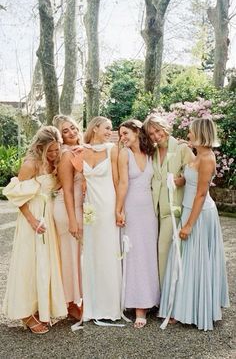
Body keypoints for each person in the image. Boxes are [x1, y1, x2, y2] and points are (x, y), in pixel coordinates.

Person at [159, 118, 230, 331]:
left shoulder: (208, 158)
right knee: (184, 259)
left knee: (193, 259)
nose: (188, 135)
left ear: (200, 133)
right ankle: (182, 307)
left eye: (190, 132)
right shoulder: (198, 155)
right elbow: (190, 181)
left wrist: (189, 225)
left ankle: (196, 309)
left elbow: (200, 193)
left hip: (199, 214)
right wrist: (177, 180)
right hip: (189, 210)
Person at [2, 126, 67, 334]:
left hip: (47, 216)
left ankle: (40, 308)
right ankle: (25, 314)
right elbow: (16, 196)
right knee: (28, 263)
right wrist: (32, 221)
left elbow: (52, 188)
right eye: (50, 150)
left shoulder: (53, 163)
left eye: (57, 149)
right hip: (32, 217)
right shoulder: (30, 165)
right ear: (40, 147)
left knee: (44, 263)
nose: (55, 154)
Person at [116, 119, 160, 328]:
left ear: (136, 131)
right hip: (132, 209)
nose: (122, 138)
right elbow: (122, 183)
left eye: (125, 133)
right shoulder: (124, 154)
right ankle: (138, 306)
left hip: (149, 211)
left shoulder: (152, 153)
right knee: (134, 254)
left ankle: (151, 299)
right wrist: (119, 209)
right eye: (120, 135)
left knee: (149, 253)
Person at [143, 113, 194, 287]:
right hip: (153, 209)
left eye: (157, 131)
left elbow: (195, 175)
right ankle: (158, 295)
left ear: (164, 127)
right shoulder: (153, 151)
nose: (156, 136)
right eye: (151, 134)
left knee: (164, 250)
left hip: (174, 209)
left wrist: (182, 180)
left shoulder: (181, 148)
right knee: (155, 252)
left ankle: (168, 298)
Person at [82, 116, 122, 324]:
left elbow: (116, 180)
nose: (109, 131)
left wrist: (118, 209)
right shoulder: (81, 150)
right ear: (95, 128)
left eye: (110, 129)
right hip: (89, 207)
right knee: (91, 252)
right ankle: (91, 305)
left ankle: (110, 306)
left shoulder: (111, 149)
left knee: (108, 251)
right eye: (106, 128)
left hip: (107, 205)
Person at [52, 115, 83, 322]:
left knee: (79, 257)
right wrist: (73, 220)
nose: (71, 133)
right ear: (60, 137)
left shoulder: (81, 149)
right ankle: (70, 304)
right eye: (65, 131)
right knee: (70, 256)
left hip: (81, 208)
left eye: (72, 128)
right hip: (68, 209)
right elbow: (68, 190)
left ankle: (78, 299)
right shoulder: (65, 155)